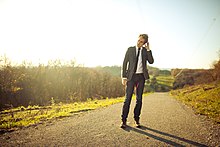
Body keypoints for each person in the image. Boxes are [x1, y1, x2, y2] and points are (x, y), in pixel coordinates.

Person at [121, 34, 154, 128]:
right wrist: (123, 76)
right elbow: (124, 63)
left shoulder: (145, 51)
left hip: (141, 77)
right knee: (127, 99)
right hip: (131, 77)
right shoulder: (130, 49)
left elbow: (151, 61)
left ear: (145, 43)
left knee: (139, 99)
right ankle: (123, 120)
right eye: (138, 40)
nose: (139, 42)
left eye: (141, 42)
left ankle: (136, 119)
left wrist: (148, 50)